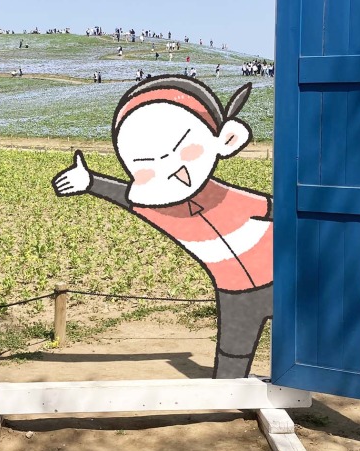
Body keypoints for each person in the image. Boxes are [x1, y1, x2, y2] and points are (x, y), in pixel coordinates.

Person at [52, 77, 271, 379]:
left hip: (284, 277)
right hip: (234, 292)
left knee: (307, 337)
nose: (169, 165)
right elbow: (126, 197)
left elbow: (281, 211)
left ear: (226, 139)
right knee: (233, 356)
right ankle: (230, 396)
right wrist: (90, 182)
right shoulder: (159, 206)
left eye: (184, 149)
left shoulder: (228, 197)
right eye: (146, 163)